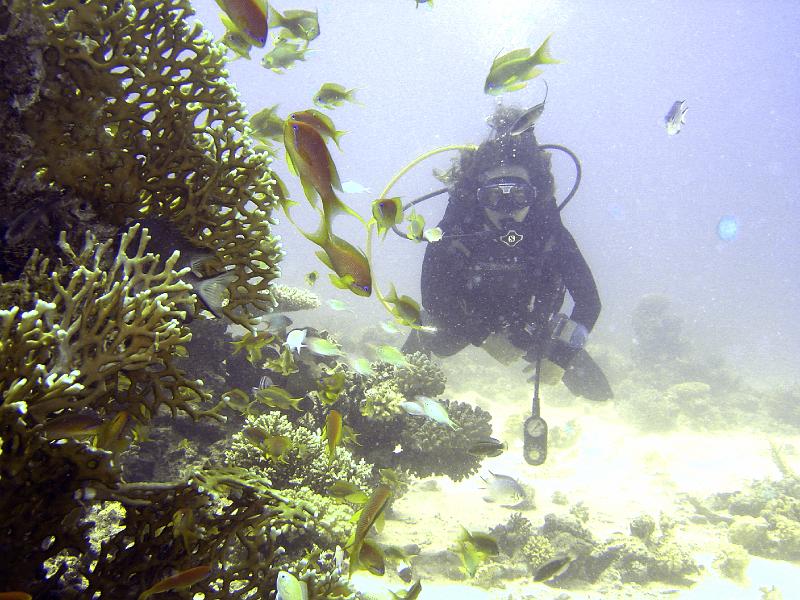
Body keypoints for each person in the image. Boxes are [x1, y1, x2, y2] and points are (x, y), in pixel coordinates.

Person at [403, 107, 612, 401]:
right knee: (435, 343)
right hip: (466, 315)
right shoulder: (458, 227)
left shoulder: (549, 231)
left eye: (519, 195)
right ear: (478, 198)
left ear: (534, 195)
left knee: (597, 393)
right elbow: (433, 295)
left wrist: (560, 359)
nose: (507, 208)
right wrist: (483, 337)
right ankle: (410, 360)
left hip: (528, 320)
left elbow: (589, 301)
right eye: (493, 196)